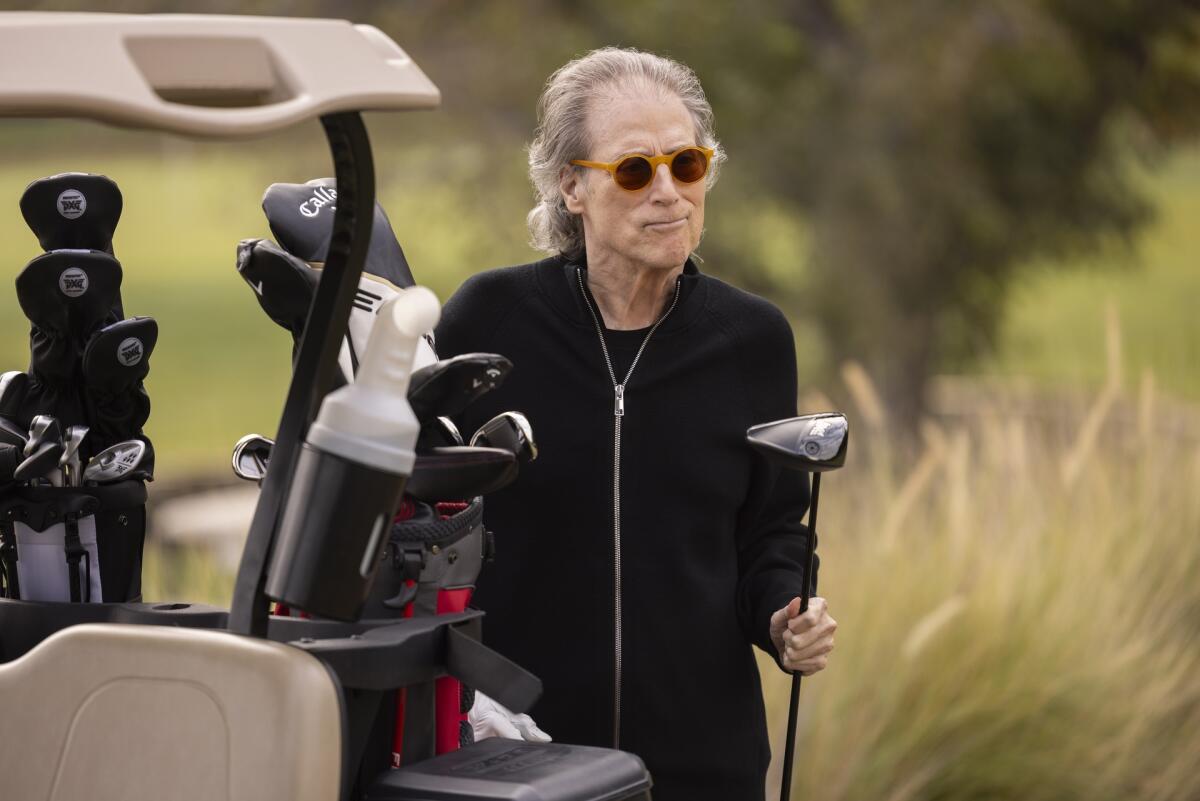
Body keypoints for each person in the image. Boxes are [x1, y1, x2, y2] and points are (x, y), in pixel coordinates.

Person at [434, 47, 837, 801]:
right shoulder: (488, 322)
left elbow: (773, 535)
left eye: (687, 164)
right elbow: (416, 528)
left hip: (705, 769)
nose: (669, 193)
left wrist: (787, 613)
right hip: (519, 763)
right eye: (633, 170)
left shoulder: (753, 340)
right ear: (571, 185)